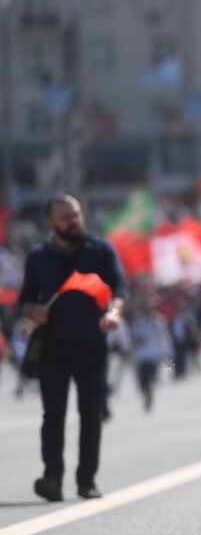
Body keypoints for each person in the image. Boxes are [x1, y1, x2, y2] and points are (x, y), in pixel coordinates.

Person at [19, 195, 129, 501]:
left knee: (91, 414)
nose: (74, 220)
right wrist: (33, 310)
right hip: (53, 347)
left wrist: (114, 312)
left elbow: (119, 288)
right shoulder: (39, 256)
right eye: (66, 217)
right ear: (51, 223)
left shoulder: (99, 250)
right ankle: (52, 477)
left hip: (92, 345)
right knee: (53, 414)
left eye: (76, 214)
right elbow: (24, 301)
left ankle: (86, 480)